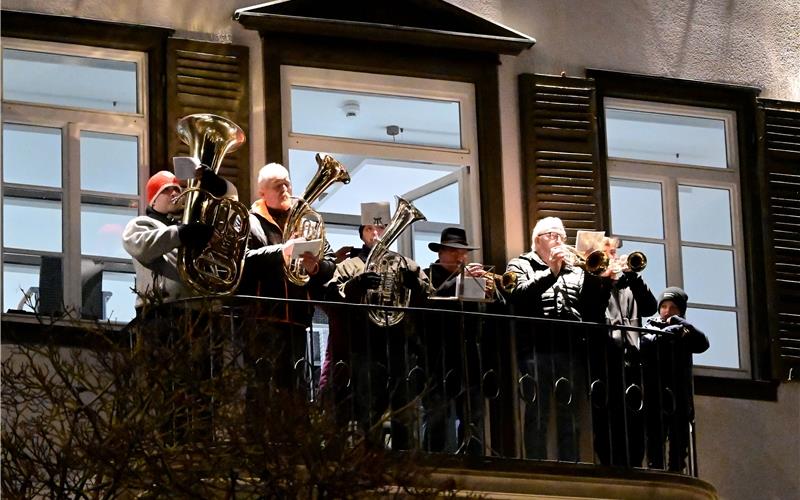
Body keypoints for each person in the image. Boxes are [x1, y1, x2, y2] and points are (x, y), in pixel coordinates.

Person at [324, 202, 429, 450]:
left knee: (404, 409)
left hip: (399, 345)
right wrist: (355, 284)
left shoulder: (405, 263)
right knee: (368, 408)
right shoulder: (349, 266)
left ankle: (405, 461)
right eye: (370, 228)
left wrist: (417, 286)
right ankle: (373, 461)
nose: (376, 234)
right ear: (361, 232)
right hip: (363, 347)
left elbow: (429, 298)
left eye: (381, 228)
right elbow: (330, 297)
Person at [505, 217, 610, 462]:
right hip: (535, 348)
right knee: (537, 410)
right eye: (552, 235)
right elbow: (517, 295)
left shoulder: (576, 269)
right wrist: (551, 272)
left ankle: (570, 463)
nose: (558, 240)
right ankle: (536, 463)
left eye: (561, 236)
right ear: (537, 239)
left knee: (570, 412)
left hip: (571, 348)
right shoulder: (520, 264)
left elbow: (594, 307)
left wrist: (600, 277)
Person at [237, 162, 337, 397]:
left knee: (295, 388)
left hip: (298, 317)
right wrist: (282, 251)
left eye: (287, 183)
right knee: (261, 386)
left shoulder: (307, 220)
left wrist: (316, 267)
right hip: (261, 317)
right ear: (262, 193)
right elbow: (243, 261)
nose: (285, 189)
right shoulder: (249, 221)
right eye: (277, 185)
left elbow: (330, 261)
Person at [422, 227, 488, 455]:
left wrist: (487, 290)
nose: (460, 257)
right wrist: (460, 280)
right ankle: (435, 464)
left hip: (468, 358)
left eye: (463, 252)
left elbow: (478, 318)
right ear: (440, 252)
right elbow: (429, 304)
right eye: (453, 252)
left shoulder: (470, 276)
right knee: (437, 417)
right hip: (437, 357)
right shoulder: (426, 275)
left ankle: (474, 464)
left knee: (473, 417)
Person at [592, 237, 657, 467]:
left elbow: (650, 307)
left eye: (614, 252)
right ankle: (611, 465)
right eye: (607, 252)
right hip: (605, 360)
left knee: (635, 418)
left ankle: (635, 463)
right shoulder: (594, 284)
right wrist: (604, 281)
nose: (613, 256)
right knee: (606, 418)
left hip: (631, 361)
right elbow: (591, 309)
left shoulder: (630, 285)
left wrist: (633, 276)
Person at [642, 287, 709, 472]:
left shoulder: (685, 330)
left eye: (673, 307)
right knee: (656, 435)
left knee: (679, 438)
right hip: (655, 391)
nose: (667, 311)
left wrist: (680, 323)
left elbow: (703, 343)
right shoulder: (649, 326)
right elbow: (647, 344)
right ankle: (655, 469)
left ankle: (677, 470)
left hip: (679, 392)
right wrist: (670, 332)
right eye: (664, 306)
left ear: (681, 311)